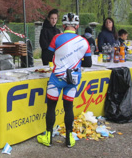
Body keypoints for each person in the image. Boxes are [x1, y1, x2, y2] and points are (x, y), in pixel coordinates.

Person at [37, 13, 92, 148]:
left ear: (63, 25)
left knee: (51, 107)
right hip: (73, 79)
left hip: (57, 78)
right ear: (77, 26)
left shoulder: (57, 38)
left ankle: (48, 138)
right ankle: (69, 138)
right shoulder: (84, 41)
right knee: (68, 108)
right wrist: (76, 62)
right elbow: (88, 63)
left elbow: (48, 56)